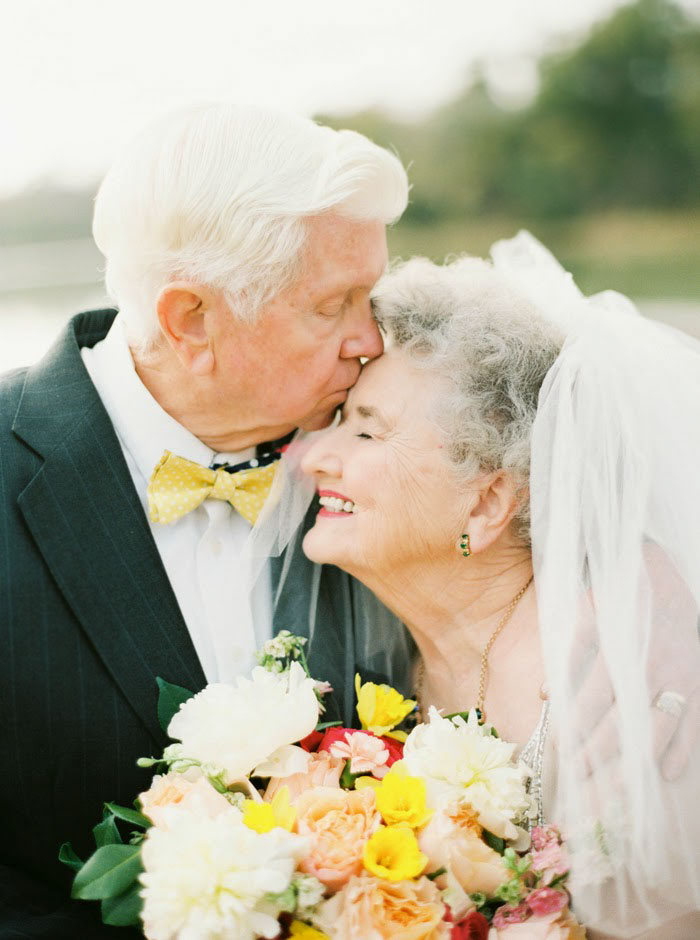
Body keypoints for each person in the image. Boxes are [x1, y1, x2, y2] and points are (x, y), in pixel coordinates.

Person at [0, 102, 414, 938]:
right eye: (333, 305)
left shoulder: (386, 451)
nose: (371, 340)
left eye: (371, 297)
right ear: (191, 321)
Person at [301, 233, 700, 939]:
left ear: (487, 503)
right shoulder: (369, 647)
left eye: (366, 433)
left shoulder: (612, 696)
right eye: (336, 421)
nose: (313, 458)